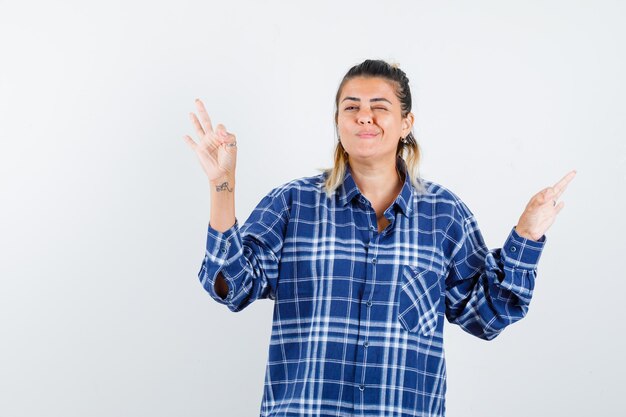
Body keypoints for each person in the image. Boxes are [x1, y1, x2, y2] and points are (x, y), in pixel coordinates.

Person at [183, 59, 576, 417]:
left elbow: (487, 316)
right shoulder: (293, 204)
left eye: (379, 107)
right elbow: (230, 287)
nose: (364, 117)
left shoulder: (444, 214)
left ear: (406, 123)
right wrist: (223, 186)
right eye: (351, 107)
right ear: (337, 121)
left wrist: (527, 233)